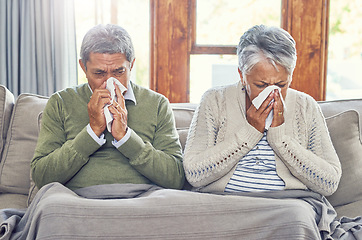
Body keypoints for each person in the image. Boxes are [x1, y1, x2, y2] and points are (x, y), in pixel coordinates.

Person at [183, 25, 341, 196]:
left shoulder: (306, 106)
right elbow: (194, 174)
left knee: (297, 215)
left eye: (281, 85)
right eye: (261, 85)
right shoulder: (214, 99)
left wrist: (280, 139)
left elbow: (329, 183)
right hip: (225, 202)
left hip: (286, 205)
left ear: (291, 76)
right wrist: (249, 133)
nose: (273, 93)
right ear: (242, 76)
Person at [31, 24, 185, 190]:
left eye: (119, 72)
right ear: (83, 67)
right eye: (99, 73)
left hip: (142, 199)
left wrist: (125, 137)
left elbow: (175, 178)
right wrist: (92, 131)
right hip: (76, 199)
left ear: (131, 65)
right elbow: (42, 176)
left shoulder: (157, 104)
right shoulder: (61, 102)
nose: (109, 82)